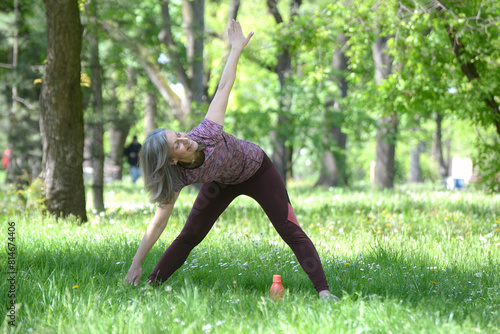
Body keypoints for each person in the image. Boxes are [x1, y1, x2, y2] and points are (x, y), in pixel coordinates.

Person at [124, 20, 338, 301]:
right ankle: (150, 288)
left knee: (288, 227)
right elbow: (159, 222)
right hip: (221, 182)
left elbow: (224, 85)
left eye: (177, 134)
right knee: (190, 235)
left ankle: (323, 291)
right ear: (173, 160)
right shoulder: (178, 176)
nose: (184, 138)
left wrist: (236, 48)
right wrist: (136, 262)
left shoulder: (208, 132)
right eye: (177, 143)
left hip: (257, 170)